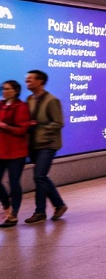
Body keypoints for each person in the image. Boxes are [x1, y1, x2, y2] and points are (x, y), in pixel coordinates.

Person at [23, 70, 66, 223]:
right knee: (40, 178)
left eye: (30, 79)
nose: (27, 82)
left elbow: (59, 123)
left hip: (48, 144)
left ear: (40, 81)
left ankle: (48, 208)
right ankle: (50, 208)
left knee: (39, 176)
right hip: (34, 144)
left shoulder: (52, 100)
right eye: (26, 80)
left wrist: (40, 126)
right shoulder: (29, 99)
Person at [0, 80, 31, 227]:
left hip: (16, 152)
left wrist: (5, 126)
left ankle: (14, 214)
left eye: (8, 89)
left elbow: (22, 130)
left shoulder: (21, 107)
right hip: (1, 150)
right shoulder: (0, 105)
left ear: (16, 91)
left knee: (13, 183)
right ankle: (6, 205)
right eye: (3, 89)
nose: (4, 91)